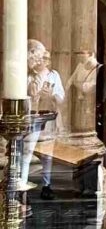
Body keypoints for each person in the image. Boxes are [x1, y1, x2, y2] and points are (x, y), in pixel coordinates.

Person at [25, 39, 65, 199]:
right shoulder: (29, 76)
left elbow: (61, 97)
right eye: (41, 58)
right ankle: (24, 183)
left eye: (46, 59)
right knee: (27, 151)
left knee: (47, 154)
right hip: (32, 118)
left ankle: (46, 185)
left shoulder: (54, 75)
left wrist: (53, 96)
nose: (43, 61)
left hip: (48, 119)